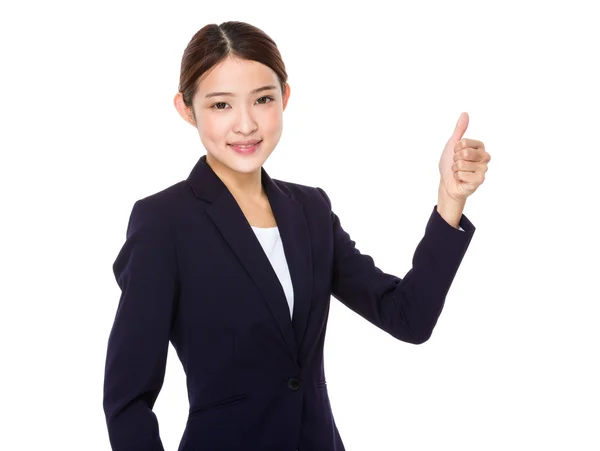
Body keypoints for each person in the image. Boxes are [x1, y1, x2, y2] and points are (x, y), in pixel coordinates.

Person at [102, 20, 491, 451]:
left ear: (284, 97)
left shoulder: (310, 210)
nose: (246, 125)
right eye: (220, 106)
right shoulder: (163, 222)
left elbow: (408, 317)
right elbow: (127, 399)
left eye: (263, 99)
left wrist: (450, 199)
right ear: (186, 108)